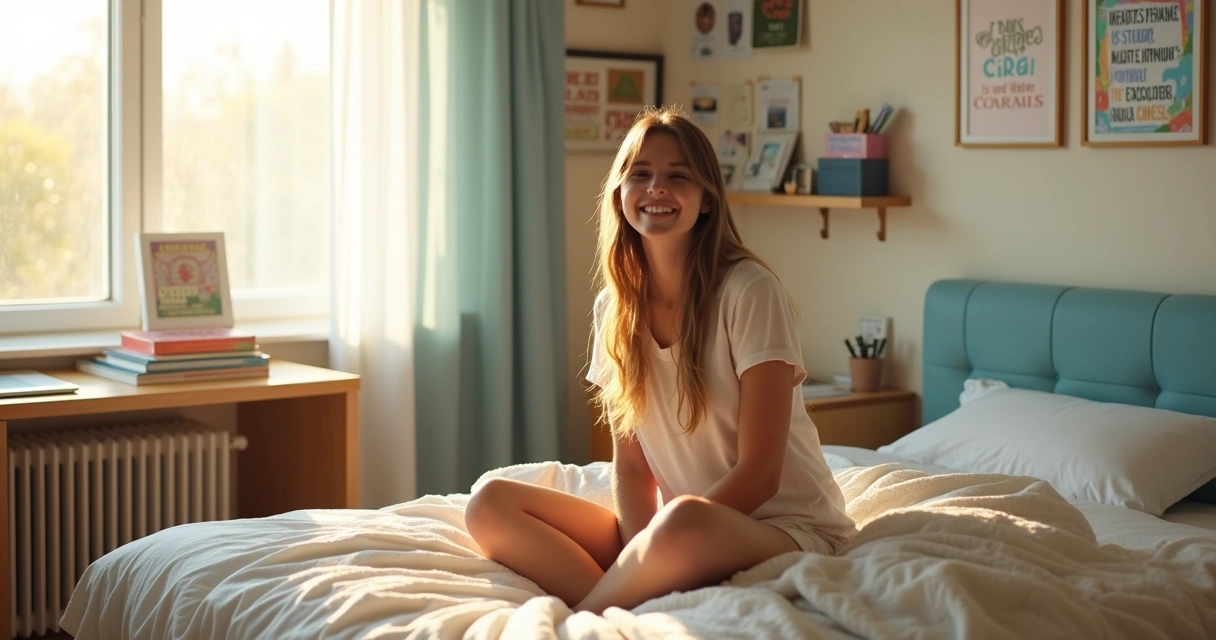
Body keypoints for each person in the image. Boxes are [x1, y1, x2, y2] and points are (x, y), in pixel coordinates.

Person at [464, 106, 855, 615]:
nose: (657, 189)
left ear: (707, 199)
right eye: (641, 174)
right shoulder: (615, 307)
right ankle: (612, 602)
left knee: (680, 521)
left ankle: (589, 621)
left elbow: (761, 474)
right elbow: (630, 465)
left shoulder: (750, 291)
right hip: (680, 529)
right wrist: (637, 547)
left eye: (678, 176)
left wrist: (663, 537)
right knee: (489, 503)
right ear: (620, 193)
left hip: (784, 527)